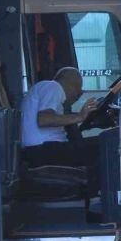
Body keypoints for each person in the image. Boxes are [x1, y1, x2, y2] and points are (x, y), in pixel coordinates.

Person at [20, 67, 101, 197]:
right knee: (104, 143)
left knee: (94, 146)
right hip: (43, 150)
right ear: (72, 87)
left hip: (40, 151)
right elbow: (43, 119)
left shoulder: (46, 90)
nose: (78, 94)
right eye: (79, 90)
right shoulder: (53, 87)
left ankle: (92, 195)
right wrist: (79, 116)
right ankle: (99, 198)